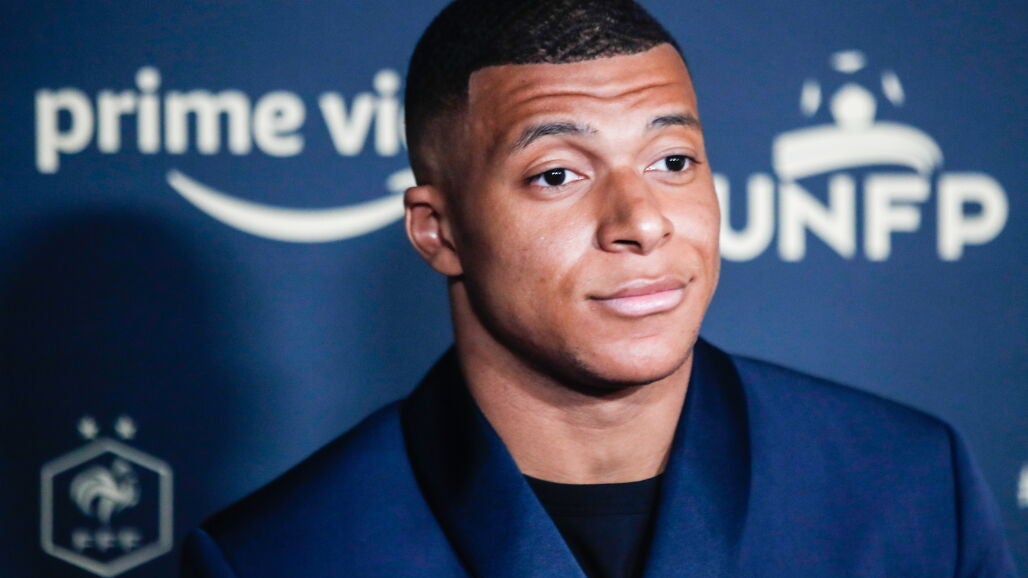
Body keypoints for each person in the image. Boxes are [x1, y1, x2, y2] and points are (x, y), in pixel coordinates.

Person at [181, 0, 1016, 576]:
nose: (641, 221)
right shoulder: (280, 558)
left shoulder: (906, 488)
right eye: (556, 174)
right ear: (439, 231)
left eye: (673, 161)